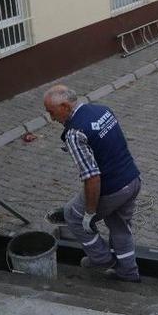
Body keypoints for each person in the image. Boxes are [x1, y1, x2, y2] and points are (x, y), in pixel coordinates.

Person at [44, 84, 142, 283]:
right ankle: (129, 272)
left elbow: (92, 177)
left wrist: (89, 213)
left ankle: (101, 259)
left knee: (73, 215)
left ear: (64, 106)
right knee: (119, 225)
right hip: (132, 180)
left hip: (112, 189)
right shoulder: (102, 110)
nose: (51, 118)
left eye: (51, 112)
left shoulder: (75, 133)